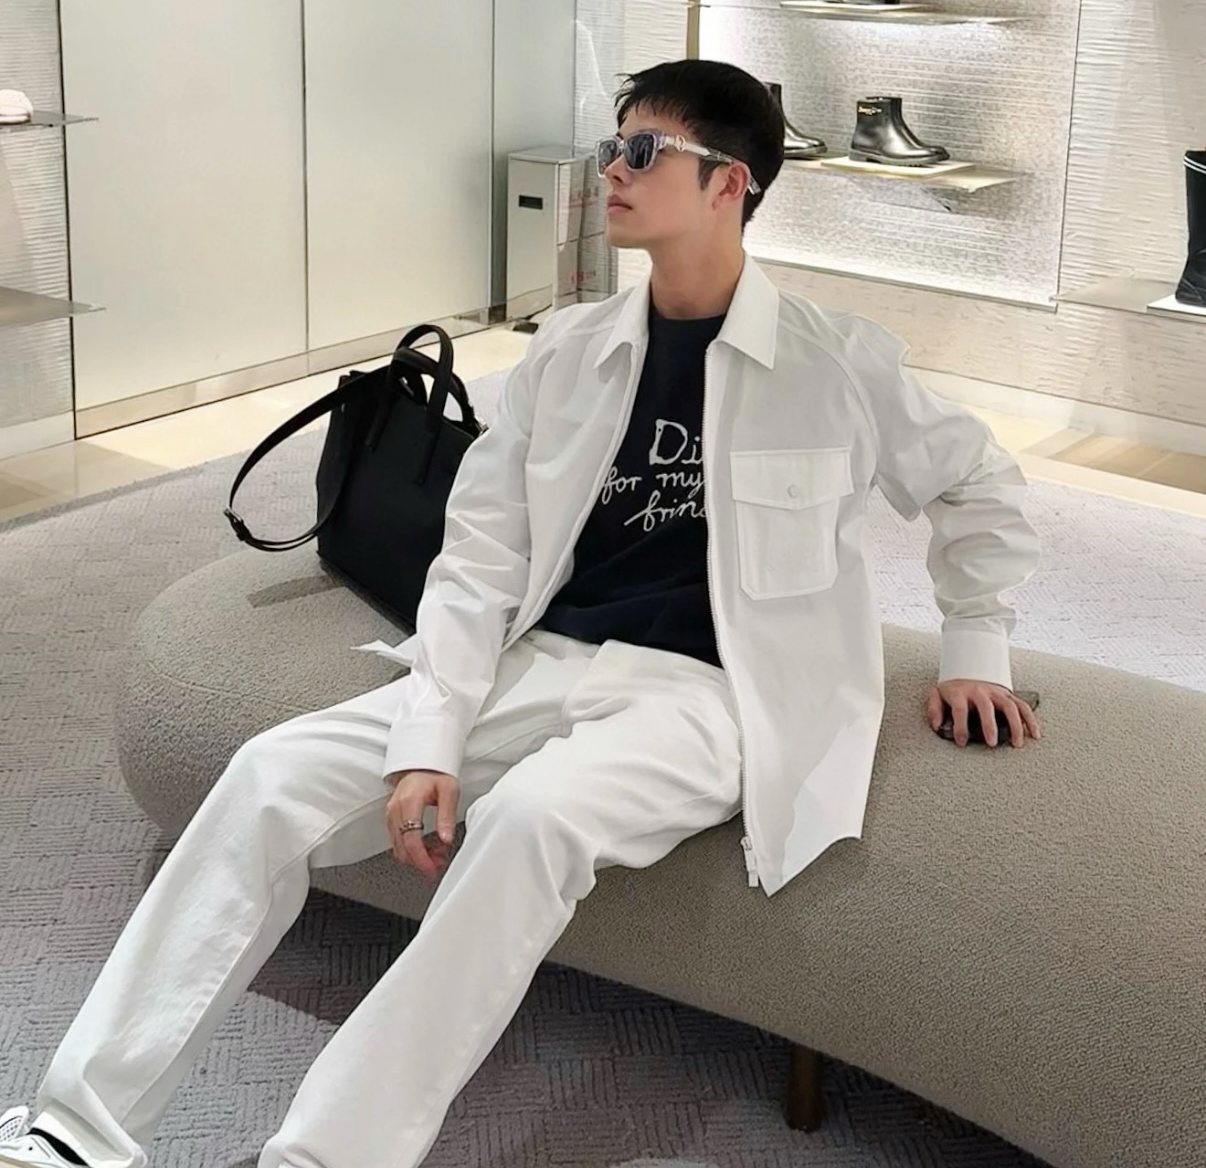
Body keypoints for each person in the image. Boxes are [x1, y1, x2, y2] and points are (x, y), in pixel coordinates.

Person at [0, 58, 1042, 1168]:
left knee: (531, 821)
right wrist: (428, 736)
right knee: (269, 773)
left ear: (730, 182)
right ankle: (77, 1127)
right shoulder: (569, 351)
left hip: (709, 699)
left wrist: (975, 645)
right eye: (613, 146)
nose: (613, 170)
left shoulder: (837, 362)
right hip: (539, 655)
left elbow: (978, 484)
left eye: (644, 150)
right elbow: (481, 554)